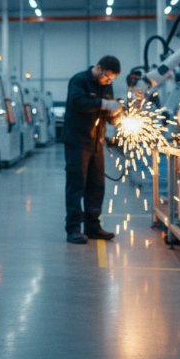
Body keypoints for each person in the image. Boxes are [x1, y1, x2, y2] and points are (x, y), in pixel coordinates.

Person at [62, 55, 122, 244]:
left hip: (97, 142)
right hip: (77, 141)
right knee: (76, 185)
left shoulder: (106, 85)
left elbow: (107, 112)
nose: (109, 82)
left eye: (112, 79)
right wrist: (103, 104)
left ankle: (93, 227)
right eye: (107, 77)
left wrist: (117, 113)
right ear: (99, 68)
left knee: (96, 186)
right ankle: (73, 229)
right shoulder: (79, 81)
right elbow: (77, 102)